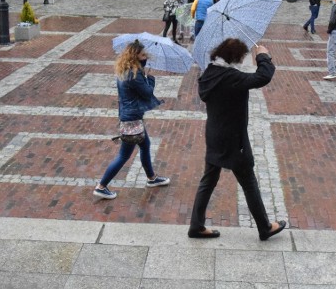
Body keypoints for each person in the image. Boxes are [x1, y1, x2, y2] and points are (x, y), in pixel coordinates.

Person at [188, 38, 287, 240]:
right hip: (233, 140)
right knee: (248, 182)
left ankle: (196, 225)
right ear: (234, 57)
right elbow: (263, 77)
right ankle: (264, 227)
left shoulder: (209, 73)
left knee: (208, 180)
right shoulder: (231, 76)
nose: (243, 60)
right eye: (242, 57)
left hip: (214, 135)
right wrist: (263, 56)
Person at [94, 41, 170, 200]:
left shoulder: (125, 70)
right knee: (124, 155)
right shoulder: (134, 74)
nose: (145, 58)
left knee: (145, 145)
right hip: (132, 119)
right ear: (135, 56)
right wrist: (149, 79)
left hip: (129, 115)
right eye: (143, 55)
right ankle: (102, 186)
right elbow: (147, 93)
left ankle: (151, 178)